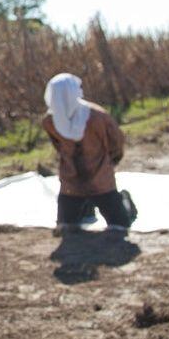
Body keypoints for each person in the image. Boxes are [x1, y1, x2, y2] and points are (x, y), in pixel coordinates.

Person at [41, 73, 136, 235]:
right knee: (66, 227)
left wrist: (108, 162)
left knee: (120, 225)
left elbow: (116, 142)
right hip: (71, 182)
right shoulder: (50, 121)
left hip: (101, 180)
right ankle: (87, 207)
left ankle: (124, 201)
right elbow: (59, 147)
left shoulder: (97, 117)